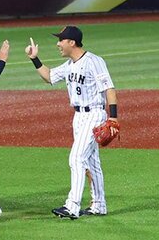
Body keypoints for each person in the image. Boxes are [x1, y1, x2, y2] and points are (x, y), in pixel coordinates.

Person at [24, 26, 118, 219]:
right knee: (92, 163)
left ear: (72, 42)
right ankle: (99, 205)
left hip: (93, 115)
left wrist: (113, 117)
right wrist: (34, 58)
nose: (58, 43)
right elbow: (49, 77)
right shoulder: (69, 65)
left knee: (76, 158)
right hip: (78, 117)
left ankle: (72, 206)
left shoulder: (94, 61)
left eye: (61, 40)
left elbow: (109, 89)